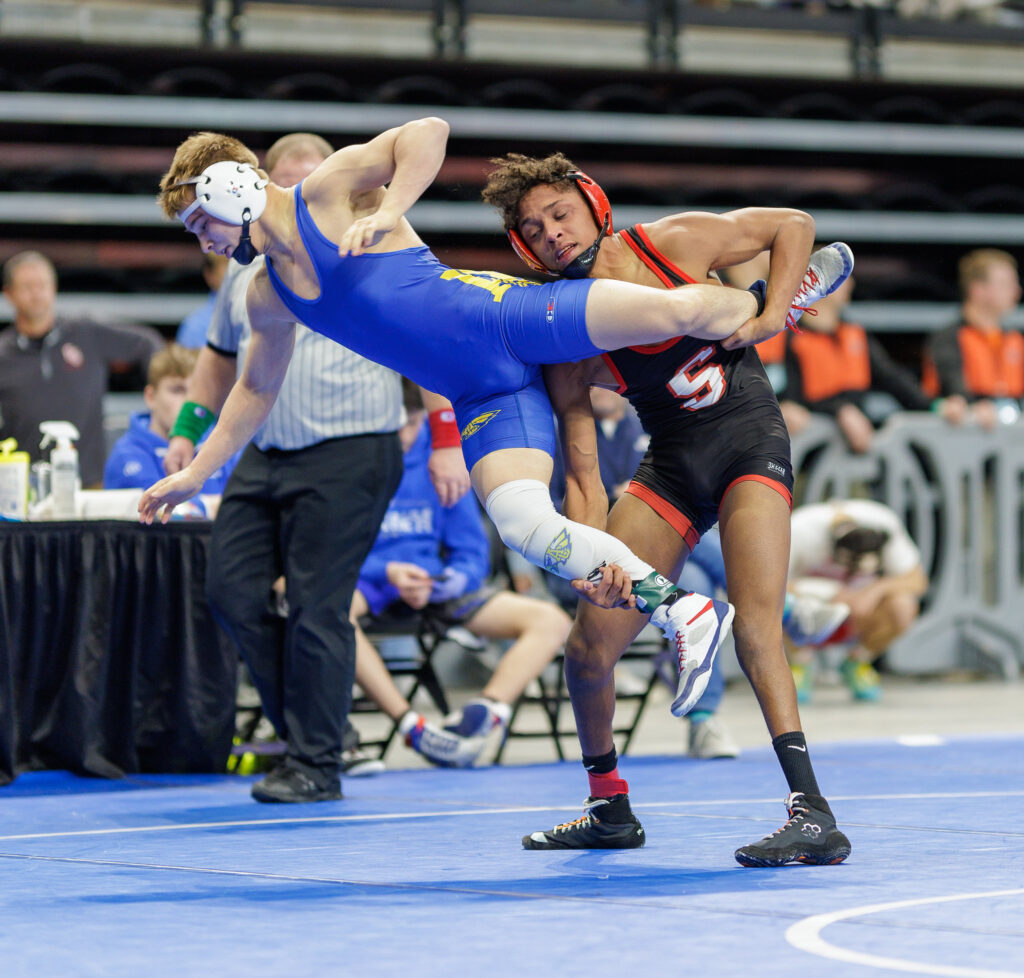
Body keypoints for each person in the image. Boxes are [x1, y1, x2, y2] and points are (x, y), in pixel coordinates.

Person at [141, 118, 810, 738]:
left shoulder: (328, 191)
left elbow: (428, 132)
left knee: (670, 314)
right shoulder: (265, 294)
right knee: (522, 523)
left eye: (202, 221)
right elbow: (255, 387)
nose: (204, 242)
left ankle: (774, 299)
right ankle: (680, 611)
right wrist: (198, 471)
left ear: (231, 189)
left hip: (504, 319)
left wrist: (394, 209)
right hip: (482, 393)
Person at [481, 151, 853, 866]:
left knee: (756, 625)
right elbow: (583, 471)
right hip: (673, 463)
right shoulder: (568, 335)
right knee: (588, 650)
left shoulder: (673, 242)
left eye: (560, 214)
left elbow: (795, 226)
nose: (552, 233)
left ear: (593, 205)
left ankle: (813, 813)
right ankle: (608, 806)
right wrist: (592, 562)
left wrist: (775, 311)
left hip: (747, 439)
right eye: (535, 228)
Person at [161, 133, 411, 804]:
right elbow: (223, 366)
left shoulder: (360, 239)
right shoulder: (249, 273)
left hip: (351, 447)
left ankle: (316, 760)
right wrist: (188, 439)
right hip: (266, 450)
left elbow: (425, 330)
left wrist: (445, 432)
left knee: (315, 607)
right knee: (232, 592)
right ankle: (312, 733)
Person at [349, 385, 572, 768]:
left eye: (412, 422)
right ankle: (411, 726)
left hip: (432, 587)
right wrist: (385, 572)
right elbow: (334, 550)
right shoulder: (354, 461)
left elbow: (471, 553)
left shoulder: (442, 460)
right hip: (369, 582)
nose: (403, 433)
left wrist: (452, 580)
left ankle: (484, 716)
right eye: (394, 424)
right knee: (332, 611)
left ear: (424, 418)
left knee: (551, 620)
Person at [0, 250, 163, 486]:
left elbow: (147, 343)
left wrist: (160, 394)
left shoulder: (85, 333)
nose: (36, 293)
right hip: (24, 485)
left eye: (43, 284)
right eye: (27, 286)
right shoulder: (4, 354)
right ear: (9, 294)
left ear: (54, 287)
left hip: (89, 483)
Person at [777, 271, 967, 454]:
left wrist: (935, 406)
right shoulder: (786, 337)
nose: (850, 283)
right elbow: (784, 398)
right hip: (802, 456)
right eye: (840, 275)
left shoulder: (854, 334)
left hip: (852, 453)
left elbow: (893, 379)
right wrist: (839, 410)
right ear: (814, 281)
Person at [787, 498, 927, 702]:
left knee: (903, 605)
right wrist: (831, 592)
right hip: (808, 613)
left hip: (859, 615)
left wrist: (873, 590)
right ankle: (798, 663)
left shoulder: (883, 523)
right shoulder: (800, 530)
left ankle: (858, 660)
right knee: (778, 602)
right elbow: (768, 583)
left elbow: (917, 580)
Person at [102, 344, 234, 508]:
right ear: (150, 397)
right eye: (177, 390)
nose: (188, 402)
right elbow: (153, 513)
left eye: (195, 392)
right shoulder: (126, 454)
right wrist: (215, 507)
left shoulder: (222, 443)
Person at [922, 249, 1023, 430]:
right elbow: (952, 385)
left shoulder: (1015, 339)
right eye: (1005, 284)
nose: (1016, 291)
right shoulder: (949, 338)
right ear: (978, 290)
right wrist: (972, 407)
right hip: (960, 434)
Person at [175, 253, 229, 349]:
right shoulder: (194, 327)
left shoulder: (258, 312)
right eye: (227, 263)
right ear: (209, 274)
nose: (238, 270)